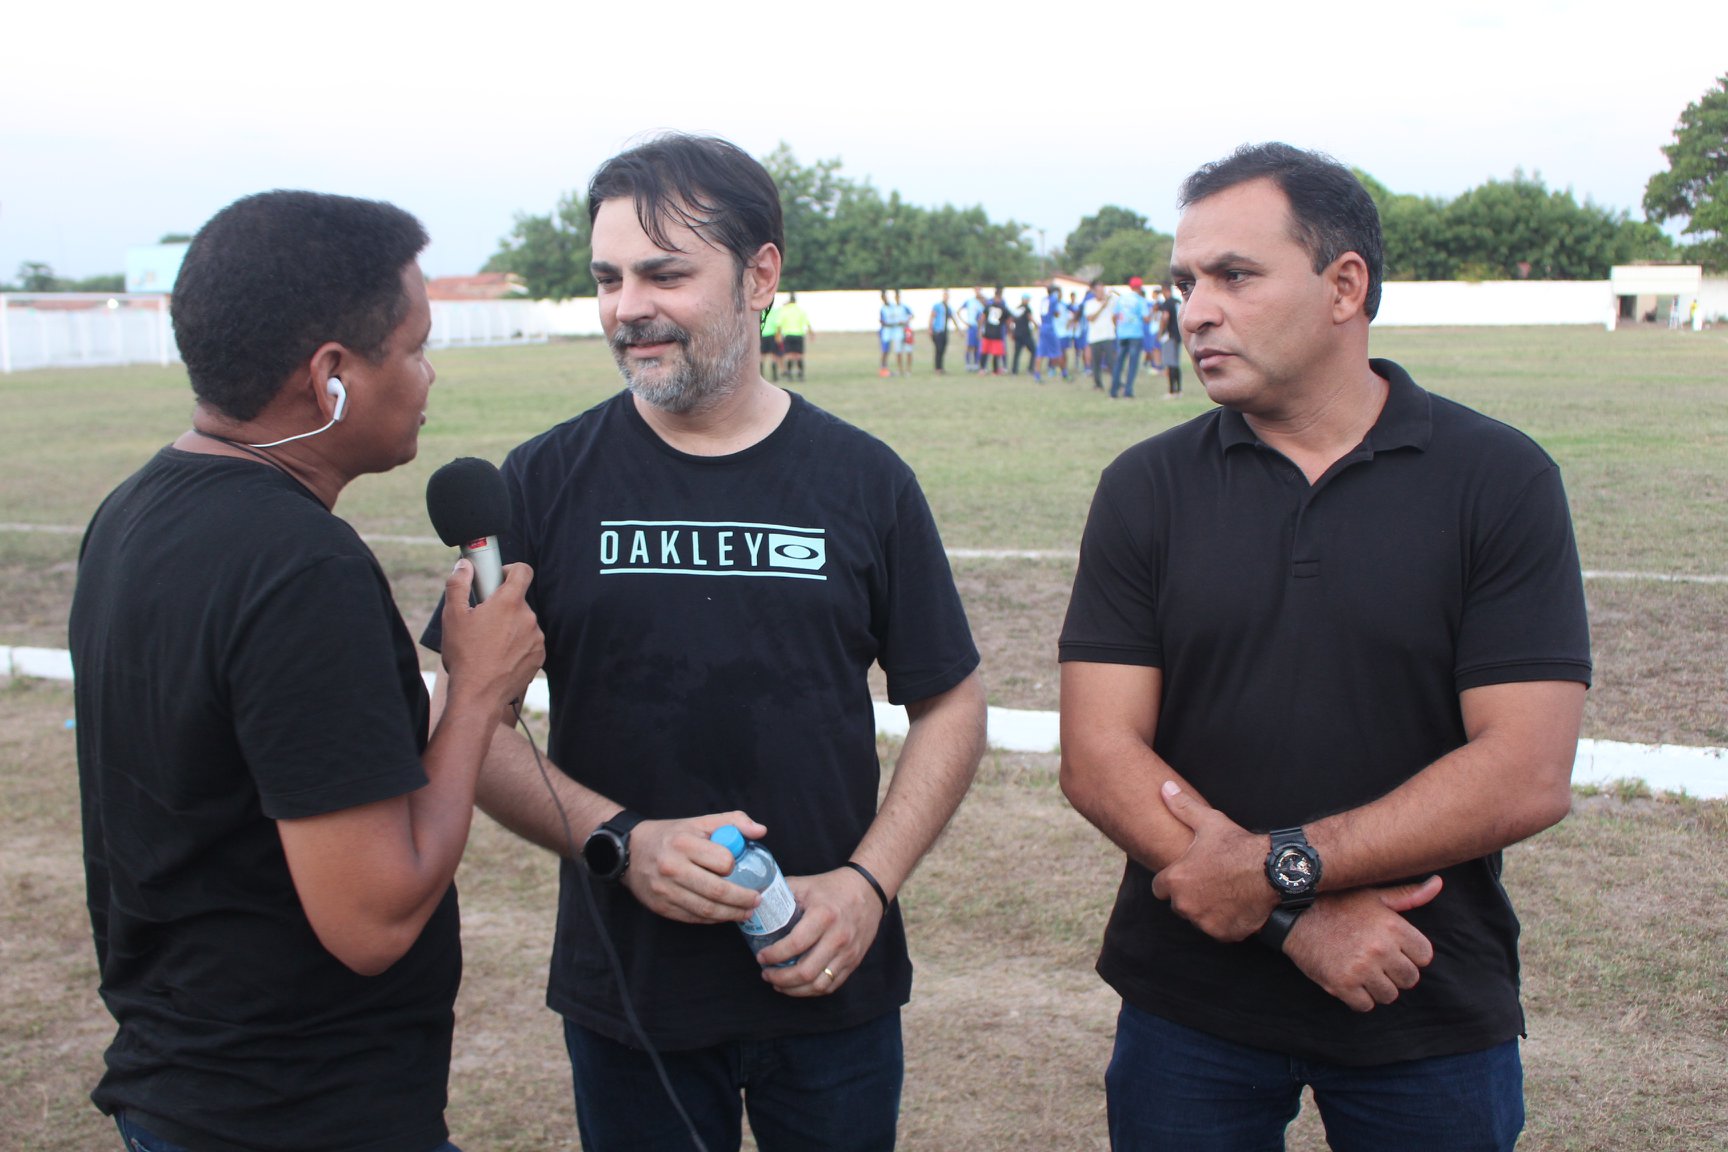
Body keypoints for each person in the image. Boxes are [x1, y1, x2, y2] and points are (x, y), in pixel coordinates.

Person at [422, 133, 986, 1152]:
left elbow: (951, 700)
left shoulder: (866, 480)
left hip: (831, 979)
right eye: (608, 277)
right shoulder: (539, 483)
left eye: (665, 273)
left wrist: (868, 885)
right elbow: (467, 723)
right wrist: (620, 841)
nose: (628, 306)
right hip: (631, 996)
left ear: (760, 274)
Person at [1058, 142, 1591, 1151]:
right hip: (1190, 1007)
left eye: (1235, 275)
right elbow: (1098, 757)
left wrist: (1278, 868)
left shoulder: (1499, 479)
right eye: (1186, 282)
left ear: (1346, 285)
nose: (1196, 308)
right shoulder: (1147, 487)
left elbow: (1524, 773)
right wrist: (1296, 918)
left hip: (1420, 988)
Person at [70, 191, 546, 1152]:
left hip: (185, 1087)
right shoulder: (300, 568)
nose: (429, 374)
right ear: (332, 376)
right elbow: (372, 919)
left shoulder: (130, 511)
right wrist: (476, 692)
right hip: (297, 1109)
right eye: (413, 348)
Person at [1110, 275, 1153, 398]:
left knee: (1119, 362)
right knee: (1132, 364)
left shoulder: (1122, 299)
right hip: (1135, 334)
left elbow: (1114, 317)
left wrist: (1118, 328)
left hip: (1122, 334)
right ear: (1140, 287)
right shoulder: (1140, 300)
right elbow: (1146, 319)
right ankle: (1128, 391)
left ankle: (1113, 390)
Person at [1084, 278, 1117, 390]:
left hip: (1108, 335)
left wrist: (1113, 292)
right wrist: (1102, 307)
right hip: (1095, 337)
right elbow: (1091, 318)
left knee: (1111, 361)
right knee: (1096, 362)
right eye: (1099, 291)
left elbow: (1121, 300)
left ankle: (1117, 382)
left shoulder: (1110, 302)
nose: (1101, 293)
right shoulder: (1090, 304)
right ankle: (1098, 383)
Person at [777, 290, 812, 380]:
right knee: (799, 355)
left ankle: (789, 375)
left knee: (789, 355)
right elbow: (807, 323)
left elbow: (779, 324)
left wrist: (778, 335)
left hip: (788, 335)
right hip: (799, 334)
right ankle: (800, 375)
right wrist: (811, 333)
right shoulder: (800, 310)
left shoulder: (785, 310)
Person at [978, 286, 1012, 375]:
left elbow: (982, 318)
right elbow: (1009, 320)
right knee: (995, 353)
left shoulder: (989, 306)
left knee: (985, 351)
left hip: (988, 331)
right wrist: (1009, 331)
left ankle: (982, 369)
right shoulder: (1003, 308)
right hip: (997, 333)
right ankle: (995, 370)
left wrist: (981, 329)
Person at [1158, 282, 1184, 396]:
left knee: (1171, 363)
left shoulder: (1167, 303)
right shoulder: (1177, 302)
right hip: (1178, 334)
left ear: (1165, 290)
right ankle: (1179, 389)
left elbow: (1165, 317)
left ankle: (1172, 390)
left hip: (1170, 335)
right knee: (1176, 363)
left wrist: (1160, 332)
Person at [929, 288, 958, 374]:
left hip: (945, 331)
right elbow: (932, 316)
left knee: (943, 350)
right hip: (938, 331)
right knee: (938, 349)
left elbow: (952, 318)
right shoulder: (937, 306)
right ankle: (937, 368)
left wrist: (958, 330)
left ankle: (941, 367)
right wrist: (930, 328)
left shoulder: (948, 308)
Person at [960, 285, 986, 371]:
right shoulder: (970, 301)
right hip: (972, 326)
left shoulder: (983, 301)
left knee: (978, 346)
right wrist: (965, 322)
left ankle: (976, 364)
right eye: (976, 290)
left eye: (979, 290)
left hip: (980, 327)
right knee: (970, 345)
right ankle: (968, 364)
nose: (978, 291)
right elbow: (958, 311)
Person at [1011, 292, 1037, 375]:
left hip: (1017, 333)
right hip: (1025, 333)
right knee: (1034, 350)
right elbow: (1030, 318)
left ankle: (1014, 371)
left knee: (1017, 353)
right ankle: (1030, 369)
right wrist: (1037, 325)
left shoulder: (1017, 308)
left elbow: (1013, 320)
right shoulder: (1027, 308)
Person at [759, 295, 784, 381]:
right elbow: (778, 325)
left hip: (762, 335)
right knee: (774, 356)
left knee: (762, 356)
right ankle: (774, 376)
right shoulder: (775, 312)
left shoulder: (760, 311)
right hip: (772, 335)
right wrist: (779, 336)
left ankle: (761, 375)